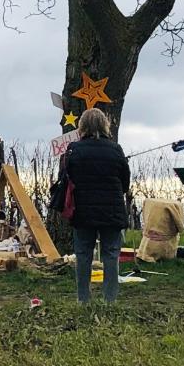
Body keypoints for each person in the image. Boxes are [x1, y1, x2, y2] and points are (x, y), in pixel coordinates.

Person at [55, 108, 131, 302]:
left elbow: (65, 177)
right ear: (105, 125)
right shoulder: (116, 149)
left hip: (83, 210)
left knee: (83, 255)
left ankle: (83, 300)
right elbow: (125, 182)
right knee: (111, 255)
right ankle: (110, 300)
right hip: (112, 210)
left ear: (82, 126)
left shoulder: (74, 149)